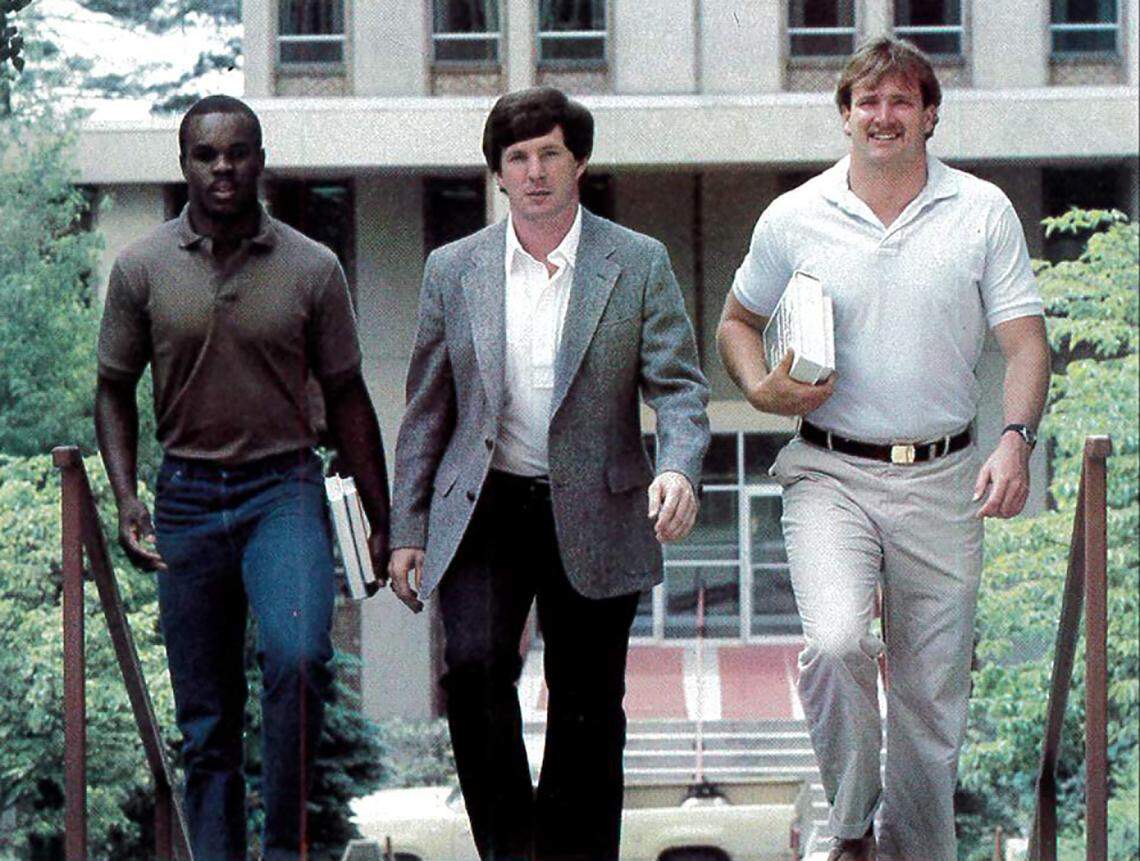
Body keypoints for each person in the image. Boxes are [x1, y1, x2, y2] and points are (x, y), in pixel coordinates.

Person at [716, 38, 1050, 861]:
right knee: (835, 642)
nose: (884, 115)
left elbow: (1026, 345)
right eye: (868, 101)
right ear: (845, 116)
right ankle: (853, 828)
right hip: (830, 471)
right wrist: (760, 389)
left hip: (945, 479)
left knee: (930, 705)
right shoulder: (795, 216)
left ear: (930, 115)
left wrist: (1015, 441)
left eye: (902, 100)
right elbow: (736, 322)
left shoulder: (982, 211)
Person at [387, 86, 710, 861]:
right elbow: (427, 408)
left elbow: (678, 387)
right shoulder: (453, 269)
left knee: (588, 701)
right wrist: (407, 527)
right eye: (518, 158)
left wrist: (679, 468)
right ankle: (512, 850)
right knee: (473, 669)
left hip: (597, 502)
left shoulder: (636, 262)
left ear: (580, 162)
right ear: (499, 173)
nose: (535, 172)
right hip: (485, 505)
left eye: (550, 154)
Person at [95, 95, 390, 861]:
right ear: (184, 163)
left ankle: (286, 849)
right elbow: (113, 389)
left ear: (260, 159)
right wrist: (127, 497)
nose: (223, 167)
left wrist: (381, 514)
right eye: (206, 154)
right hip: (187, 499)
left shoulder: (312, 267)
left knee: (300, 656)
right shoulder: (141, 267)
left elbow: (348, 394)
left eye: (238, 152)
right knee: (207, 719)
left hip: (282, 492)